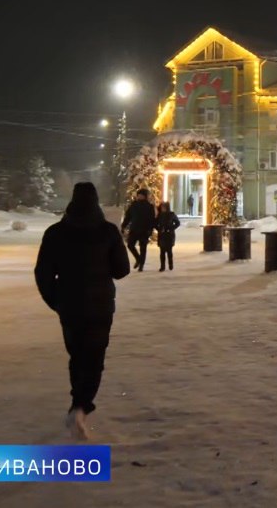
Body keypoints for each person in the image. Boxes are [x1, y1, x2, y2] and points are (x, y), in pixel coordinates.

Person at [34, 182, 131, 441]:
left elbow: (43, 273)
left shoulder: (55, 233)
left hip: (69, 305)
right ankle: (81, 406)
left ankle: (78, 403)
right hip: (100, 305)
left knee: (77, 355)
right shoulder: (108, 232)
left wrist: (56, 300)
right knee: (94, 358)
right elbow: (122, 270)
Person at [121, 188, 156, 271]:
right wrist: (123, 226)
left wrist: (150, 230)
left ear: (145, 196)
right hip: (134, 229)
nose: (139, 197)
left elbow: (151, 220)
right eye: (138, 195)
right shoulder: (134, 205)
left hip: (144, 230)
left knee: (143, 248)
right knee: (130, 245)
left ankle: (141, 265)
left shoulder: (149, 206)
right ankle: (138, 259)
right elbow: (128, 217)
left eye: (141, 195)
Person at [155, 201, 181, 272]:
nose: (163, 208)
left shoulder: (171, 214)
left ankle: (170, 264)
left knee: (169, 251)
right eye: (162, 207)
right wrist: (159, 229)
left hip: (169, 235)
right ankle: (162, 266)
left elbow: (177, 223)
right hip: (162, 235)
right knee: (162, 252)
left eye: (164, 207)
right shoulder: (159, 215)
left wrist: (171, 228)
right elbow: (155, 223)